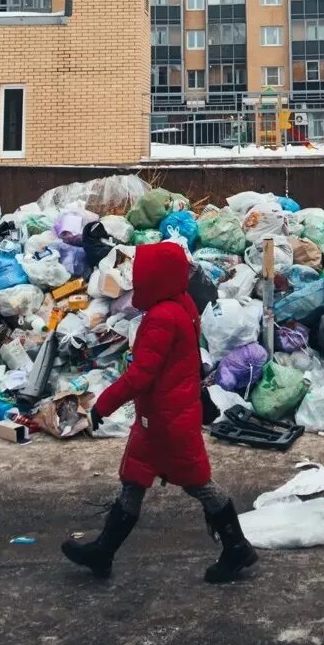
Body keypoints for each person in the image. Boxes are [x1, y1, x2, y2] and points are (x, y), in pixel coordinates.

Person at [62, 240, 256, 583]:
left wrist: (102, 406)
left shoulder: (162, 318)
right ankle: (103, 552)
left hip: (168, 422)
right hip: (164, 416)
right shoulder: (179, 305)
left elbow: (140, 375)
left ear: (157, 280)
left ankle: (237, 546)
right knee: (134, 480)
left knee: (200, 485)